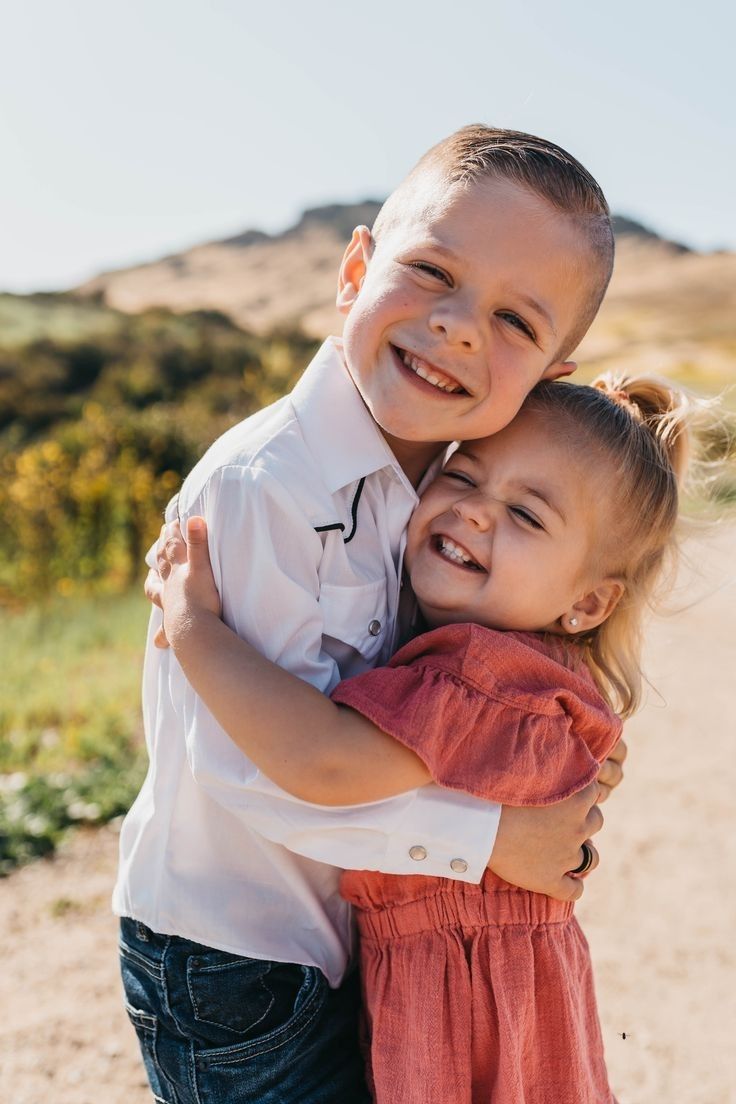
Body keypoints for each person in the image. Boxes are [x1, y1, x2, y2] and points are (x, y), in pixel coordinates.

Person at [115, 125, 624, 1104]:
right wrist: (491, 843)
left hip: (342, 924)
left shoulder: (441, 479)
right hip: (234, 951)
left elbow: (455, 676)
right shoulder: (268, 488)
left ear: (548, 376)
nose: (460, 327)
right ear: (355, 271)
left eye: (516, 323)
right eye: (432, 270)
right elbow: (251, 774)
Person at [156, 373, 699, 1104]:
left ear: (589, 603)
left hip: (465, 1005)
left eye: (527, 516)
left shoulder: (479, 679)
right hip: (505, 993)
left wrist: (194, 627)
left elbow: (321, 760)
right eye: (465, 474)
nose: (476, 512)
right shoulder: (535, 674)